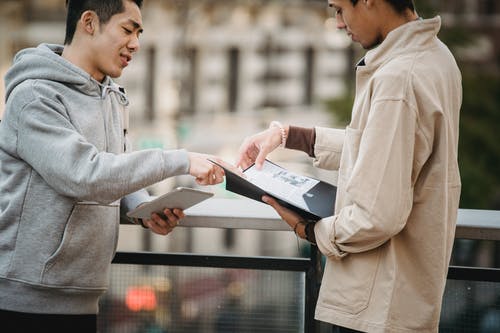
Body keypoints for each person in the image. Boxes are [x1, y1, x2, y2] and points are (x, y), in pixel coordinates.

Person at [236, 0, 462, 332]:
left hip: (376, 304)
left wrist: (309, 230)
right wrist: (289, 136)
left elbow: (378, 216)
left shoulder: (398, 79)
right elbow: (387, 149)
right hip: (402, 297)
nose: (339, 23)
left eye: (340, 9)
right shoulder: (438, 58)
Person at [0, 0, 224, 331]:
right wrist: (182, 160)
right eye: (127, 29)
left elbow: (116, 169)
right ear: (89, 22)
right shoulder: (35, 97)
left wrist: (144, 208)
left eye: (139, 33)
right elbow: (84, 174)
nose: (135, 43)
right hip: (25, 300)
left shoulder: (112, 97)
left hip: (84, 297)